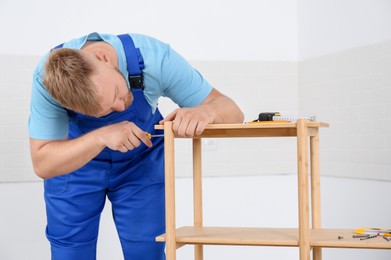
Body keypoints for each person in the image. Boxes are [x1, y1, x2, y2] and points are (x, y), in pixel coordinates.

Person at [29, 32, 243, 260]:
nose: (120, 109)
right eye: (106, 111)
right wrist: (100, 137)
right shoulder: (49, 81)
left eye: (116, 95)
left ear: (103, 58)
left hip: (140, 165)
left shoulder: (156, 59)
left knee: (146, 250)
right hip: (76, 166)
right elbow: (43, 163)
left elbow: (232, 110)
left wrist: (206, 112)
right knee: (70, 252)